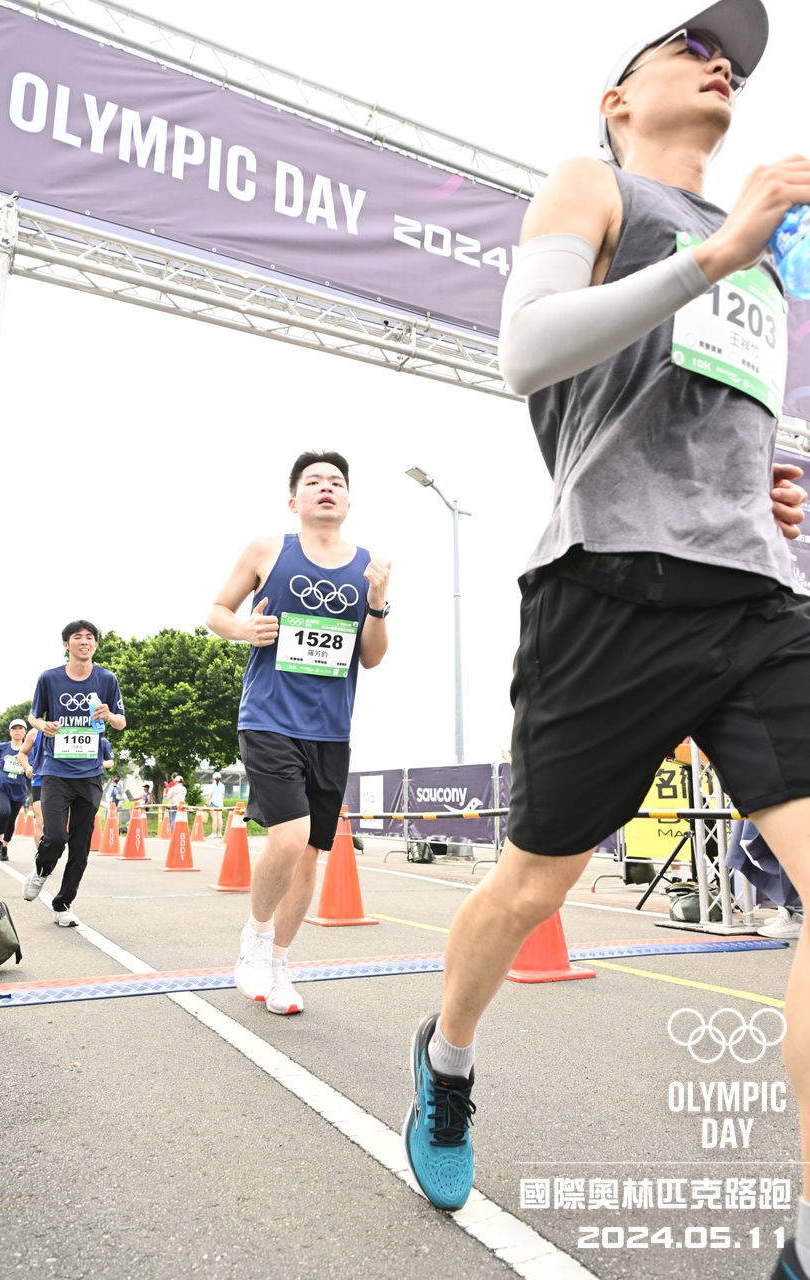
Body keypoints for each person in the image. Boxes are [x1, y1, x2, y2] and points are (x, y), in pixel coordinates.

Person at [401, 8, 810, 1277]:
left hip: (755, 597)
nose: (719, 55)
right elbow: (526, 354)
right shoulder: (596, 184)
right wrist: (719, 248)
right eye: (687, 41)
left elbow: (708, 413)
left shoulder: (770, 262)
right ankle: (447, 1060)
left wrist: (770, 484)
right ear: (619, 98)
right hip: (607, 587)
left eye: (732, 51)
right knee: (532, 887)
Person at [206, 450, 390, 1016]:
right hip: (269, 717)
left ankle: (280, 965)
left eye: (336, 481)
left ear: (348, 500)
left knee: (309, 854)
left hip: (331, 730)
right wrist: (243, 628)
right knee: (288, 837)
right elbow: (216, 611)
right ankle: (256, 939)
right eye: (314, 482)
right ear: (294, 500)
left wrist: (377, 606)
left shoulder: (371, 566)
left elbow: (372, 657)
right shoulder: (268, 550)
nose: (326, 487)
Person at [22, 620, 125, 927]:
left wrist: (109, 715)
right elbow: (33, 716)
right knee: (55, 836)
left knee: (80, 846)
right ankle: (41, 870)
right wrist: (44, 725)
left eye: (90, 637)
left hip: (90, 774)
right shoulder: (49, 678)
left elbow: (121, 722)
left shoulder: (106, 679)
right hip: (55, 771)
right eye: (77, 637)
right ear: (66, 644)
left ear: (96, 644)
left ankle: (63, 903)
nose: (84, 641)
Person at [0, 719, 29, 861]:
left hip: (19, 791)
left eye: (20, 728)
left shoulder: (29, 750)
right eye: (14, 728)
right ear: (10, 731)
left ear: (25, 732)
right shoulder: (1, 747)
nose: (17, 731)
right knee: (4, 812)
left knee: (12, 819)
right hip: (1, 788)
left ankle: (5, 846)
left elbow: (33, 768)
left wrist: (27, 767)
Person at [17, 726, 47, 849]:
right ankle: (41, 856)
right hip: (39, 780)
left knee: (56, 825)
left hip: (63, 780)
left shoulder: (71, 728)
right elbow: (21, 754)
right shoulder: (35, 733)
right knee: (41, 819)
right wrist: (27, 767)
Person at [206, 772, 225, 837]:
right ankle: (220, 833)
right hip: (220, 803)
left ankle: (213, 833)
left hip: (213, 803)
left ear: (213, 778)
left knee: (214, 818)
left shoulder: (212, 785)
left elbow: (210, 796)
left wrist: (206, 803)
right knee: (220, 818)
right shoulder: (222, 785)